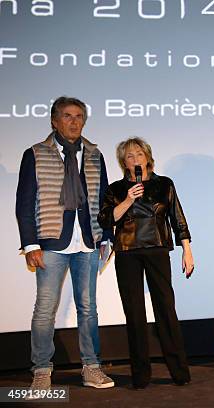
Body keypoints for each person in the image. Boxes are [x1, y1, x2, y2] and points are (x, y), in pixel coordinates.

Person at [16, 96, 115, 393]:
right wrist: (30, 244)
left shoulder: (95, 154)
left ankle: (91, 367)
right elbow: (24, 204)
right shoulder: (35, 154)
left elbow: (104, 200)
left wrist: (106, 236)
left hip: (87, 242)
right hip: (51, 243)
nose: (74, 122)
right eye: (68, 116)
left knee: (89, 308)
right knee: (45, 309)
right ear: (54, 121)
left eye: (79, 117)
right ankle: (42, 371)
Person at [98, 137, 194, 388]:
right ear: (124, 163)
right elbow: (107, 219)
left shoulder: (164, 184)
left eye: (139, 154)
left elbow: (177, 218)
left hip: (157, 249)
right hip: (128, 251)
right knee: (135, 313)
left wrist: (187, 249)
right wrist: (128, 199)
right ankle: (140, 375)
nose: (135, 159)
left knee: (166, 309)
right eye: (129, 156)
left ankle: (179, 372)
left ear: (148, 157)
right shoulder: (116, 189)